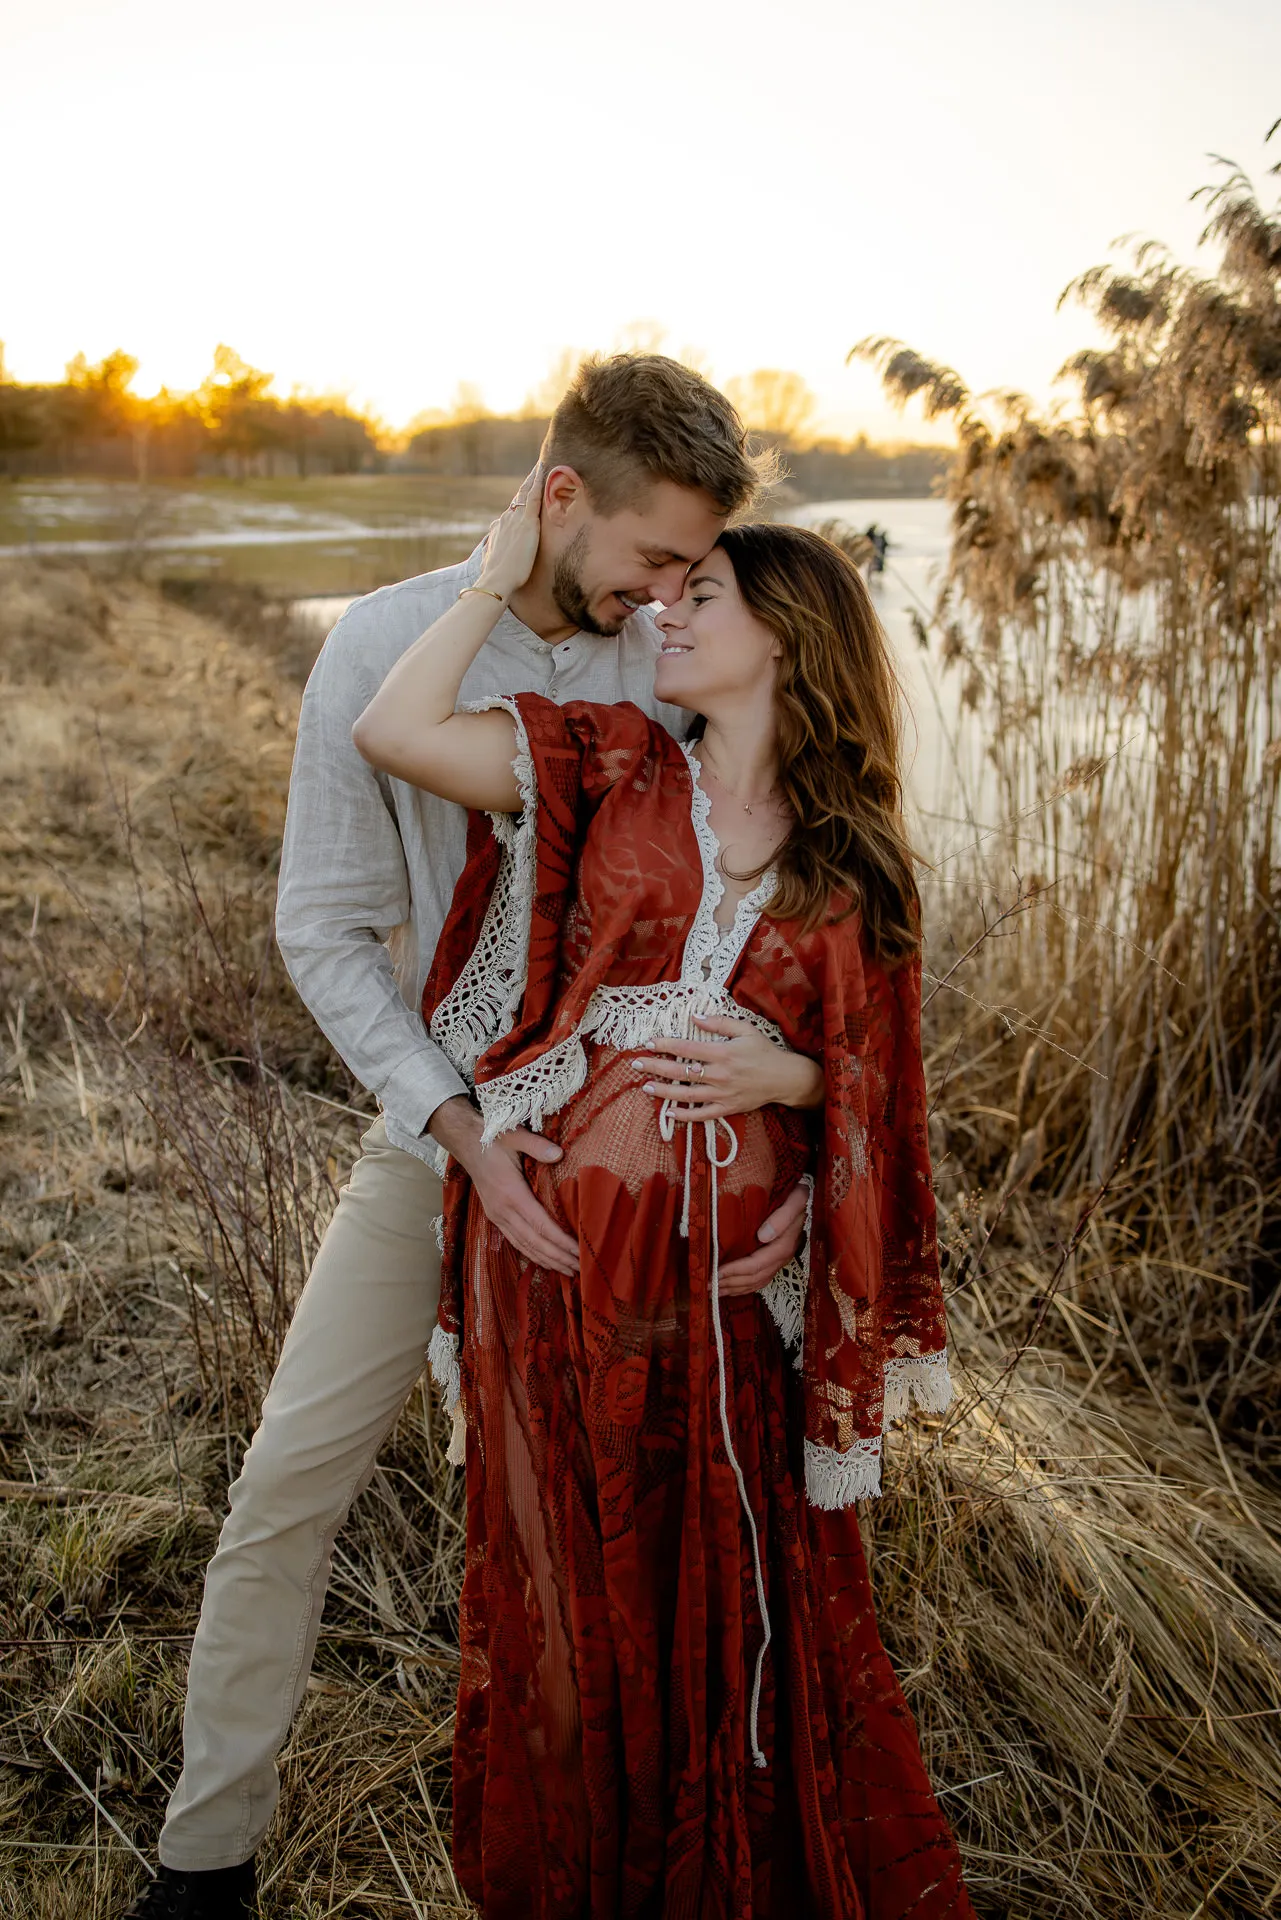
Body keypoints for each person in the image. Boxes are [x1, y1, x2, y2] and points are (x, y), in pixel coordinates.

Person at [123, 357, 813, 1920]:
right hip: (443, 1145)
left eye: (689, 574)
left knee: (643, 1538)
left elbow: (781, 931)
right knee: (287, 1487)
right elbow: (324, 931)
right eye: (649, 559)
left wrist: (805, 1152)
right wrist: (458, 1131)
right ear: (560, 497)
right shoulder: (383, 644)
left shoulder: (674, 666)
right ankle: (199, 1865)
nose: (664, 596)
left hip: (647, 1189)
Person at [351, 495, 974, 1917]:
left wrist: (806, 1080)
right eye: (668, 587)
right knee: (567, 1607)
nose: (666, 613)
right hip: (556, 1282)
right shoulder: (614, 766)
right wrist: (488, 581)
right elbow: (395, 731)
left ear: (787, 637)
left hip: (726, 1319)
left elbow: (892, 1092)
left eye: (705, 594)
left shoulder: (856, 860)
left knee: (721, 1613)